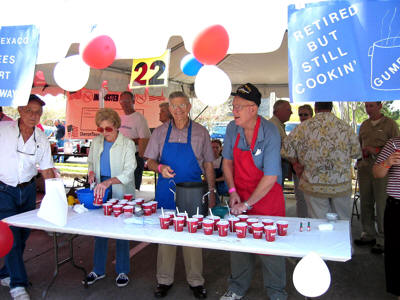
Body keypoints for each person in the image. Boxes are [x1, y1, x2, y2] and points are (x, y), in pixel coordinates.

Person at [145, 91, 215, 299]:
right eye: (174, 106)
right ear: (169, 108)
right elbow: (149, 161)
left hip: (194, 192)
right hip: (167, 191)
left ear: (189, 107)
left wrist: (211, 192)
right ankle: (164, 280)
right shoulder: (159, 132)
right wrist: (160, 168)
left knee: (192, 237)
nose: (178, 110)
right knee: (166, 237)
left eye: (182, 106)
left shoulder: (201, 132)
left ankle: (196, 281)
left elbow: (209, 164)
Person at [220, 83, 286, 300]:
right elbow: (227, 163)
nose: (234, 110)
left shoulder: (270, 132)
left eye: (239, 106)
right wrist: (232, 191)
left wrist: (248, 204)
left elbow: (271, 177)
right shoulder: (232, 128)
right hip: (240, 194)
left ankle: (276, 291)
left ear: (253, 109)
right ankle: (237, 287)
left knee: (270, 246)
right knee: (239, 243)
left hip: (267, 197)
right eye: (233, 105)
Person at [0, 95, 54, 300]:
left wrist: (54, 199)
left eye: (38, 112)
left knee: (22, 236)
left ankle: (6, 273)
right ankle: (18, 284)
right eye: (30, 111)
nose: (34, 116)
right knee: (12, 237)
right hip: (4, 190)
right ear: (20, 110)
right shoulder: (3, 131)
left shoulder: (41, 138)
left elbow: (47, 170)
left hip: (29, 190)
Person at [84, 108, 137, 288]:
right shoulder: (96, 142)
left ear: (116, 126)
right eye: (101, 129)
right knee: (101, 229)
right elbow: (91, 162)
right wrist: (91, 173)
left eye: (108, 129)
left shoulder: (128, 144)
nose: (104, 133)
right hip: (101, 186)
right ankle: (98, 269)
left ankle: (122, 270)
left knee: (121, 229)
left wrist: (109, 182)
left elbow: (129, 172)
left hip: (120, 187)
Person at [282, 102, 361, 220]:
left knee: (319, 222)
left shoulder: (303, 127)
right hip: (340, 184)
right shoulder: (345, 127)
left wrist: (295, 163)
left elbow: (286, 149)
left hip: (314, 184)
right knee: (342, 221)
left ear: (316, 108)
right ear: (331, 108)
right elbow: (356, 153)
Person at [354, 102, 399, 255]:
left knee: (381, 203)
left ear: (380, 106)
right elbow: (359, 144)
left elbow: (396, 147)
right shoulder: (365, 125)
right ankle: (368, 233)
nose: (368, 109)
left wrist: (377, 150)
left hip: (383, 168)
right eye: (367, 106)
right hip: (365, 167)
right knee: (365, 201)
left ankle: (382, 239)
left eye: (371, 106)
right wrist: (361, 156)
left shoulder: (390, 124)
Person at [372, 137, 400, 299]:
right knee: (396, 253)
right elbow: (377, 173)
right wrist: (388, 162)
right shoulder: (394, 144)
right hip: (397, 206)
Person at [119, 91, 151, 190]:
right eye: (122, 101)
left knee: (133, 189)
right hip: (120, 157)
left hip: (135, 158)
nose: (124, 103)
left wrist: (127, 141)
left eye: (127, 101)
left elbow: (145, 140)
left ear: (133, 101)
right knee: (120, 187)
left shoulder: (139, 119)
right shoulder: (120, 118)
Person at [293, 104, 313, 217]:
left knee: (313, 200)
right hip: (299, 170)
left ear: (311, 115)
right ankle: (301, 221)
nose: (303, 117)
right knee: (300, 198)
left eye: (306, 114)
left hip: (313, 171)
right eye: (301, 115)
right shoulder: (296, 131)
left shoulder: (317, 131)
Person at [269, 100, 292, 186]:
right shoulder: (273, 125)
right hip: (276, 165)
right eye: (288, 110)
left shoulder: (277, 125)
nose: (291, 112)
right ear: (278, 110)